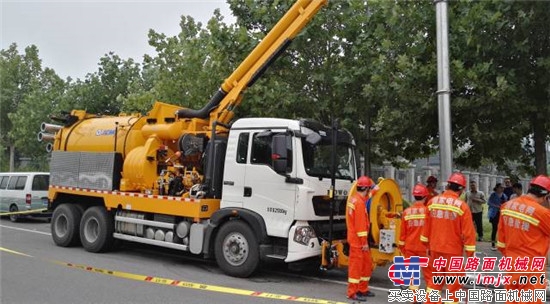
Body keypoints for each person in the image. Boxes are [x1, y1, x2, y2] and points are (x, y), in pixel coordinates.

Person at [420, 172, 476, 303]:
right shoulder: (462, 206)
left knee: (435, 282)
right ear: (461, 189)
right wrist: (470, 255)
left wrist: (427, 247)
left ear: (448, 185)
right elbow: (468, 233)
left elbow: (426, 228)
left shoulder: (433, 202)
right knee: (453, 285)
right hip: (453, 252)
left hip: (435, 249)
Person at [497, 175, 550, 304]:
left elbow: (500, 242)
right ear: (546, 196)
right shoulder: (542, 213)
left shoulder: (507, 206)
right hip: (531, 269)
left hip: (512, 265)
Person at [399, 183, 432, 300]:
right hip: (425, 249)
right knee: (429, 277)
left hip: (410, 248)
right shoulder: (428, 212)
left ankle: (415, 300)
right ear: (425, 196)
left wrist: (402, 248)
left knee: (413, 277)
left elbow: (402, 234)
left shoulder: (407, 212)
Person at [346, 176, 375, 302]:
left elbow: (368, 196)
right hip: (358, 241)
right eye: (369, 189)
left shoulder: (356, 199)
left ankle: (362, 289)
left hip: (357, 240)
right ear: (366, 189)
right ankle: (352, 292)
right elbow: (360, 227)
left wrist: (374, 189)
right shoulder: (358, 203)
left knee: (366, 264)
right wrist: (364, 243)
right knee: (356, 267)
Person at [488, 183, 508, 250]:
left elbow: (506, 203)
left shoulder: (504, 195)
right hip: (494, 213)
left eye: (503, 188)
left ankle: (501, 244)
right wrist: (496, 206)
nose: (502, 189)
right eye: (500, 187)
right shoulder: (493, 195)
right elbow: (489, 202)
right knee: (494, 228)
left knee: (502, 229)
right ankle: (493, 244)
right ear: (497, 188)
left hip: (502, 214)